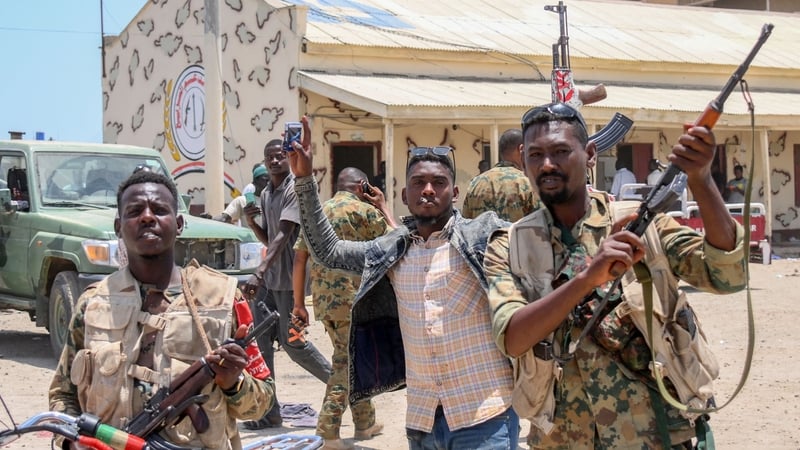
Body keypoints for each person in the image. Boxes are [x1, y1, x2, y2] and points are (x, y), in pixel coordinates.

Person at [483, 102, 747, 448]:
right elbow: (513, 338)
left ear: (590, 153)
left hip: (655, 434)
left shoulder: (643, 225)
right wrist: (586, 279)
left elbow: (726, 273)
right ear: (522, 159)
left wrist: (700, 179)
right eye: (536, 155)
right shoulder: (509, 246)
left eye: (561, 151)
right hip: (562, 439)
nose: (547, 165)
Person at [287, 118, 520, 450]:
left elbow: (536, 244)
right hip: (422, 422)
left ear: (454, 193)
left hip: (484, 418)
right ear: (404, 193)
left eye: (438, 182)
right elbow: (329, 251)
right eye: (419, 182)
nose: (428, 189)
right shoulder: (393, 250)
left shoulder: (482, 236)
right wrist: (304, 179)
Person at [49, 170, 274, 450]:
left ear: (179, 224)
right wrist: (71, 442)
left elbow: (262, 403)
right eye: (134, 211)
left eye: (158, 209)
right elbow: (62, 396)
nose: (147, 216)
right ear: (119, 226)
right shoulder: (93, 303)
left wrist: (233, 383)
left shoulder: (224, 299)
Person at [292, 168, 397, 449]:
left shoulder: (319, 211)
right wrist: (383, 206)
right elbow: (398, 242)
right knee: (345, 363)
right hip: (355, 300)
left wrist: (299, 303)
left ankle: (365, 423)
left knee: (352, 358)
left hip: (325, 302)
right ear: (362, 186)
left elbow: (300, 259)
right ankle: (327, 430)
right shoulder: (365, 212)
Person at [241, 139, 332, 429]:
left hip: (289, 281)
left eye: (280, 156)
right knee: (261, 343)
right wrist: (252, 222)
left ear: (287, 158)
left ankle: (343, 390)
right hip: (270, 279)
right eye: (270, 157)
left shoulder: (293, 188)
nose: (275, 161)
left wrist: (258, 271)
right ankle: (269, 411)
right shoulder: (267, 192)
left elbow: (283, 236)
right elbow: (269, 239)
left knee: (294, 344)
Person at [462, 128, 539, 222]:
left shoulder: (476, 183)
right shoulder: (527, 183)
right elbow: (541, 225)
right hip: (516, 236)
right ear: (521, 149)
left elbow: (465, 224)